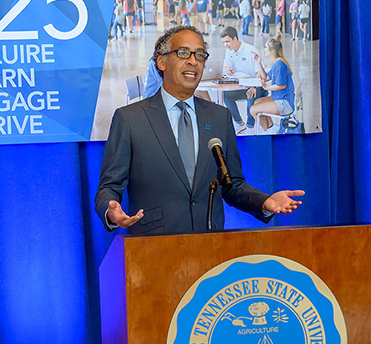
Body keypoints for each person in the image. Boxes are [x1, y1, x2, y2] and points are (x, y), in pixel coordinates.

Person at [95, 25, 303, 236]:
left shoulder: (219, 117)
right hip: (154, 247)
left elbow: (233, 185)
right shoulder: (130, 118)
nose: (193, 61)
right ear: (161, 61)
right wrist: (111, 211)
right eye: (184, 53)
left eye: (200, 55)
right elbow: (109, 186)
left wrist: (264, 201)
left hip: (209, 248)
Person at [219, 26, 267, 128]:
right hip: (241, 87)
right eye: (224, 42)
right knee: (226, 96)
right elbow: (225, 66)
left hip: (257, 87)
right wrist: (226, 69)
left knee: (251, 96)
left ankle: (250, 127)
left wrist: (254, 87)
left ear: (235, 39)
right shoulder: (229, 51)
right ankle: (239, 122)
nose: (225, 45)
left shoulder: (250, 50)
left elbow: (259, 71)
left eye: (227, 41)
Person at [246, 34, 295, 134]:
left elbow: (282, 85)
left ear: (272, 51)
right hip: (280, 99)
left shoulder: (279, 65)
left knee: (253, 110)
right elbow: (265, 77)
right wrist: (259, 62)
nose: (264, 49)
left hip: (284, 104)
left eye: (266, 47)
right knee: (257, 102)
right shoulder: (277, 63)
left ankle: (267, 131)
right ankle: (271, 128)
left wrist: (267, 87)